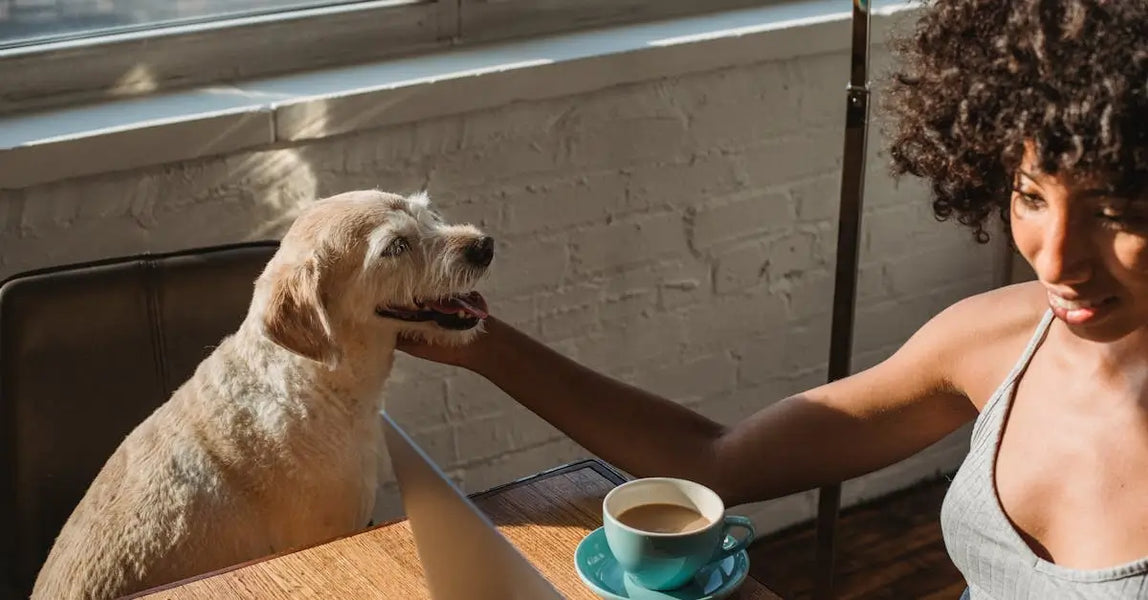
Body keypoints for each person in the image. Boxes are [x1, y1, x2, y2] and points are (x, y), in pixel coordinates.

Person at [398, 1, 1148, 597]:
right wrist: (481, 343)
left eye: (1115, 213)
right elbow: (714, 463)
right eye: (1029, 195)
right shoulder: (998, 339)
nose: (1055, 259)